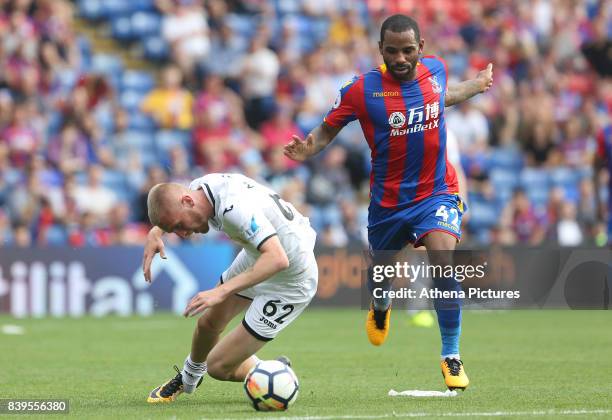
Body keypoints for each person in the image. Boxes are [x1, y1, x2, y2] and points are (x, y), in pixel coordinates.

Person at [284, 14, 493, 391]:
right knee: (381, 278)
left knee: (443, 261)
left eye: (408, 50)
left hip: (436, 192)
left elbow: (444, 98)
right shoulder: (360, 90)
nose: (400, 58)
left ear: (421, 49)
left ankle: (451, 354)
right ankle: (381, 306)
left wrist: (477, 85)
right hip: (389, 204)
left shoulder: (436, 70)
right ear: (380, 50)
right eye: (392, 51)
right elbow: (327, 128)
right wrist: (307, 148)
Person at [142, 173, 317, 403]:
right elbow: (171, 201)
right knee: (207, 324)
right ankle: (189, 379)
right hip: (260, 254)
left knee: (218, 366)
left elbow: (277, 259)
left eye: (178, 226)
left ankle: (276, 374)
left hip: (292, 278)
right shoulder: (198, 189)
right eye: (174, 229)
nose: (182, 234)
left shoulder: (234, 209)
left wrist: (221, 291)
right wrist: (156, 231)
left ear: (188, 201)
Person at [594, 123, 612, 247]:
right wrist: (603, 170)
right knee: (605, 215)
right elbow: (599, 158)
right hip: (609, 183)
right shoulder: (605, 132)